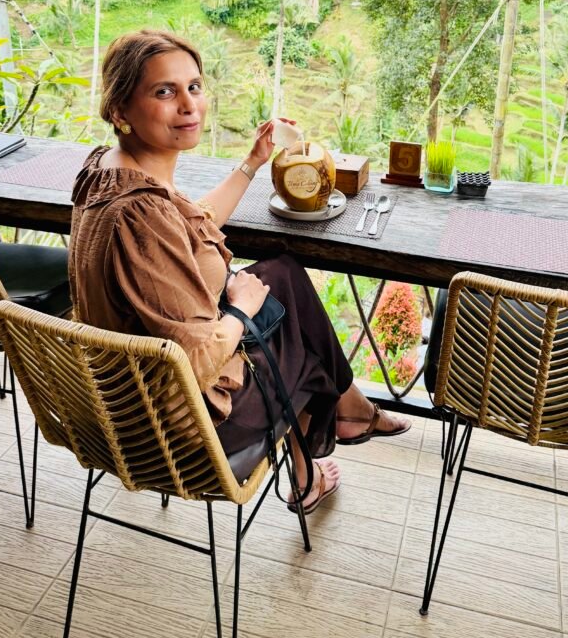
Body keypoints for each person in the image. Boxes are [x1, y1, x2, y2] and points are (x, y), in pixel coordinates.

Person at [69, 29, 409, 514]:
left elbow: (188, 224)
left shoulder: (111, 170)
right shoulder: (138, 214)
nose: (189, 105)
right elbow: (194, 360)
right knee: (302, 343)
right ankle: (340, 422)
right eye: (164, 92)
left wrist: (252, 163)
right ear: (120, 110)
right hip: (181, 427)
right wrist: (240, 308)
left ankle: (341, 422)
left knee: (284, 275)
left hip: (119, 396)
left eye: (195, 86)